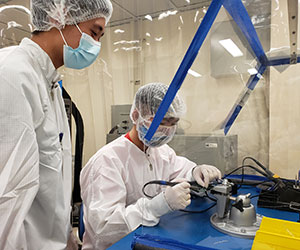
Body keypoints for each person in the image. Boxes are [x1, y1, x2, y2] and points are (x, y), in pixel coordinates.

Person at [0, 0, 113, 249]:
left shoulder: (49, 83)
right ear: (58, 16)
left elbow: (49, 178)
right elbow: (6, 196)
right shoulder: (12, 76)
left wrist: (64, 234)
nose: (95, 45)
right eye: (94, 33)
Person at [80, 82, 221, 250]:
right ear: (135, 115)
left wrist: (196, 171)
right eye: (162, 121)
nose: (168, 130)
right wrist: (158, 206)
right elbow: (103, 229)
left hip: (145, 240)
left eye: (173, 122)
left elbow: (179, 167)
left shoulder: (160, 151)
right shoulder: (107, 161)